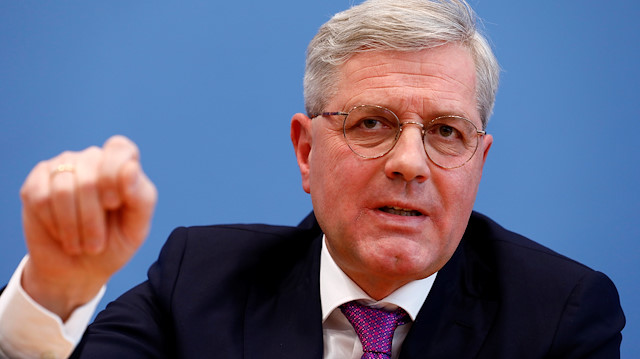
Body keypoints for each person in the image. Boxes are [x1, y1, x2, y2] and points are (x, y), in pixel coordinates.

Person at [0, 0, 625, 358]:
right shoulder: (199, 280)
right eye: (372, 123)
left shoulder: (561, 318)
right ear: (306, 151)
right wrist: (55, 288)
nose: (409, 162)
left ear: (478, 163)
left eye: (445, 133)